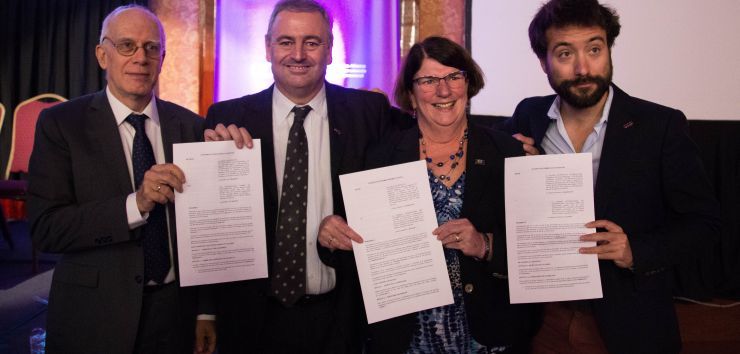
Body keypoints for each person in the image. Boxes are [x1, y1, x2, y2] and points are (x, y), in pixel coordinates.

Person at [503, 0, 721, 353]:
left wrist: (635, 250)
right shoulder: (528, 116)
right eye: (564, 54)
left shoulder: (659, 126)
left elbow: (705, 224)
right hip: (544, 320)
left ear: (608, 49)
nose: (583, 67)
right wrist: (507, 158)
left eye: (594, 49)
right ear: (543, 61)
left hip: (627, 321)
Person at [319, 36, 541, 353]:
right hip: (406, 339)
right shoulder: (379, 157)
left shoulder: (508, 152)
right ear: (410, 93)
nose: (444, 91)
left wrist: (485, 245)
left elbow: (538, 248)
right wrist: (328, 234)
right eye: (428, 80)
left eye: (454, 76)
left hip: (488, 338)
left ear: (469, 82)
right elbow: (351, 248)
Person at [203, 0, 400, 352]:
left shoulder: (369, 112)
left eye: (311, 42)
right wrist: (209, 168)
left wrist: (508, 142)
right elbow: (208, 224)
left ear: (330, 50)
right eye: (285, 42)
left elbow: (420, 154)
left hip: (341, 317)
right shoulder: (227, 118)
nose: (298, 54)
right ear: (267, 48)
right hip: (251, 317)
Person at [27, 5, 216, 354]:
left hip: (175, 314)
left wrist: (206, 311)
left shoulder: (192, 126)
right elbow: (46, 228)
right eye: (126, 45)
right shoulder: (61, 125)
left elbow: (206, 231)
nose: (140, 58)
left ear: (162, 58)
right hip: (94, 315)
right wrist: (136, 204)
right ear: (103, 55)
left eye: (151, 47)